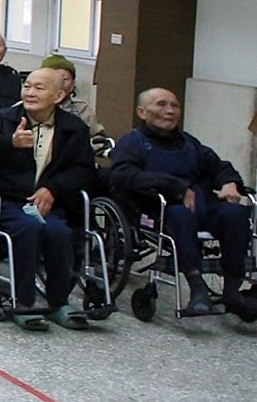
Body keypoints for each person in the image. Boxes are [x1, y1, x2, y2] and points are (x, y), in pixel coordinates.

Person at [0, 69, 101, 331]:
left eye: (39, 88)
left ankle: (58, 302)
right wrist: (8, 142)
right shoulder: (4, 119)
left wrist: (52, 189)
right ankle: (23, 301)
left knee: (58, 231)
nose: (30, 92)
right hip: (5, 200)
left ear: (59, 95)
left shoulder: (73, 127)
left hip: (41, 204)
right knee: (28, 227)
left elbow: (83, 170)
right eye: (27, 86)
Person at [109, 87, 256, 321]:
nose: (170, 110)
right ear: (142, 112)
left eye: (175, 105)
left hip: (201, 205)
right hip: (156, 209)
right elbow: (122, 176)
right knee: (181, 214)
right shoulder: (132, 142)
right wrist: (175, 185)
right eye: (161, 104)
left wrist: (229, 183)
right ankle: (197, 288)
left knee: (236, 213)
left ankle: (232, 290)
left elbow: (220, 166)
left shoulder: (188, 142)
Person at [37, 54, 112, 157]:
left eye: (65, 79)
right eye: (53, 79)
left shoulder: (81, 109)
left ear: (72, 84)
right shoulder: (28, 107)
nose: (60, 84)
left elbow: (98, 140)